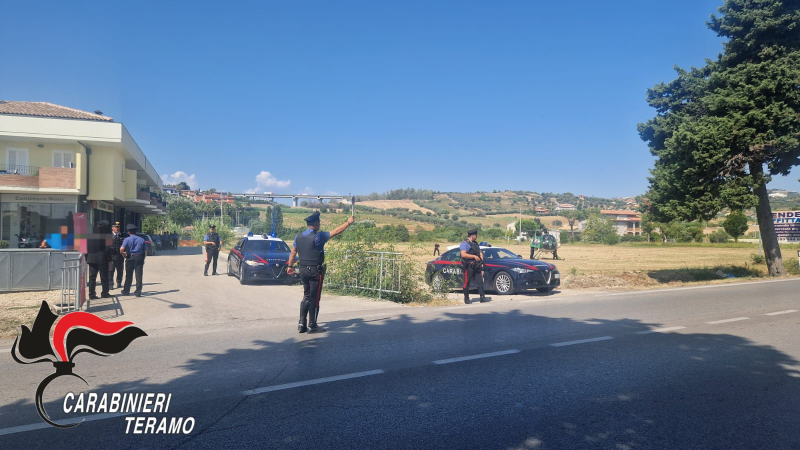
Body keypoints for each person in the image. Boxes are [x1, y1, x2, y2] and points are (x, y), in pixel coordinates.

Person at [287, 211, 355, 333]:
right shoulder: (318, 236)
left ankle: (302, 323)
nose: (320, 224)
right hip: (314, 270)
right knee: (315, 297)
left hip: (302, 269)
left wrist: (290, 266)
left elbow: (293, 252)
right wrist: (348, 222)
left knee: (306, 295)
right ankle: (312, 325)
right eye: (319, 222)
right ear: (315, 224)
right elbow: (337, 231)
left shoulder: (298, 237)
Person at [460, 229, 487, 304]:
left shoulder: (475, 243)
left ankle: (482, 297)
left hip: (477, 265)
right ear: (472, 236)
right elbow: (463, 254)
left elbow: (480, 252)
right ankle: (466, 298)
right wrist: (474, 256)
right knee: (466, 282)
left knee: (480, 281)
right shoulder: (465, 243)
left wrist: (481, 262)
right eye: (476, 235)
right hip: (468, 266)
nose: (476, 237)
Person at [86, 220, 111, 300]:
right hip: (102, 258)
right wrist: (109, 258)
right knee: (104, 276)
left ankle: (91, 294)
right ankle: (105, 293)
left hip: (91, 258)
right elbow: (107, 248)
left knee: (92, 277)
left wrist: (87, 257)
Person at [120, 224, 146, 297]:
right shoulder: (141, 239)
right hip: (139, 258)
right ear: (136, 231)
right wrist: (143, 259)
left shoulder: (127, 239)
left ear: (129, 232)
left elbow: (121, 249)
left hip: (130, 258)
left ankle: (126, 291)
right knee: (139, 275)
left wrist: (123, 254)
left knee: (129, 275)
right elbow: (145, 251)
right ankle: (138, 292)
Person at [109, 222, 127, 289]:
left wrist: (125, 252)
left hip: (120, 256)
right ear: (112, 228)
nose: (117, 228)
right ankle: (110, 284)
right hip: (111, 256)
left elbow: (126, 246)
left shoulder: (123, 235)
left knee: (120, 270)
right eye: (115, 227)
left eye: (118, 227)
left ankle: (119, 282)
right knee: (110, 271)